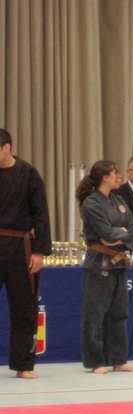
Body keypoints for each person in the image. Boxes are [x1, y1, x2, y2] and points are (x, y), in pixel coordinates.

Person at [76, 160, 133, 374]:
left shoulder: (119, 199)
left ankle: (118, 359)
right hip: (99, 263)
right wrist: (116, 234)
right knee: (95, 313)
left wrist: (119, 235)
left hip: (120, 261)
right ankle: (95, 361)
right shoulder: (91, 203)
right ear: (104, 177)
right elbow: (105, 233)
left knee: (119, 312)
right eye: (115, 173)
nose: (118, 177)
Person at [0, 128, 51, 379]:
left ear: (7, 147)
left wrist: (40, 252)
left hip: (20, 247)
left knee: (24, 308)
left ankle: (23, 364)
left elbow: (41, 214)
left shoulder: (29, 174)